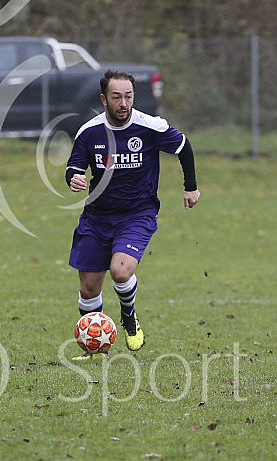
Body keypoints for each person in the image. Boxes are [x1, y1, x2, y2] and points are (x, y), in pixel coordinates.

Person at [66, 69, 200, 359]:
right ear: (104, 99)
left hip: (137, 215)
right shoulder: (89, 132)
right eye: (116, 97)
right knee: (89, 289)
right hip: (97, 217)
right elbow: (74, 167)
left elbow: (183, 146)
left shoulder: (150, 126)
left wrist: (191, 187)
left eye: (128, 96)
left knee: (120, 270)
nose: (123, 103)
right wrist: (74, 178)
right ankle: (94, 350)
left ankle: (128, 316)